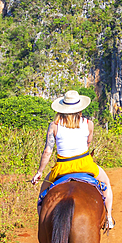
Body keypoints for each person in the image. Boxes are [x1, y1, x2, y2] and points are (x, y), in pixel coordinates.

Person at [30, 90, 115, 230]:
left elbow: (48, 151)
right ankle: (109, 218)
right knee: (106, 183)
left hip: (62, 167)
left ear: (62, 108)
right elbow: (88, 144)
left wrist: (39, 172)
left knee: (42, 195)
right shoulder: (88, 123)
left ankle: (43, 227)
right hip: (85, 164)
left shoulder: (54, 125)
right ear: (80, 108)